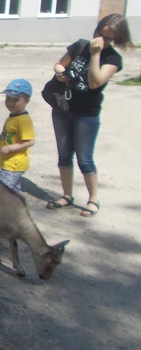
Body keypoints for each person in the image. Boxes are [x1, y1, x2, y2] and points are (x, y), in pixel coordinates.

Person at [45, 13, 133, 217]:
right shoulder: (80, 46)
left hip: (87, 115)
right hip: (63, 109)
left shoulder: (112, 59)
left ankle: (93, 199)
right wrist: (60, 71)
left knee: (85, 159)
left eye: (108, 38)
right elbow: (60, 63)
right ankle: (67, 196)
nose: (102, 40)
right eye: (100, 34)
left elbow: (94, 82)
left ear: (117, 39)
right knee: (64, 155)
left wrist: (95, 55)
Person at [0, 79, 35, 192]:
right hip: (8, 161)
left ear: (26, 101)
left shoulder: (23, 120)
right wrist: (1, 137)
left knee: (1, 190)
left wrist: (9, 148)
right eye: (8, 98)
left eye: (16, 100)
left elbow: (30, 141)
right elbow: (12, 133)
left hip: (14, 164)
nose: (10, 103)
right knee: (13, 191)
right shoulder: (14, 116)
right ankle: (16, 208)